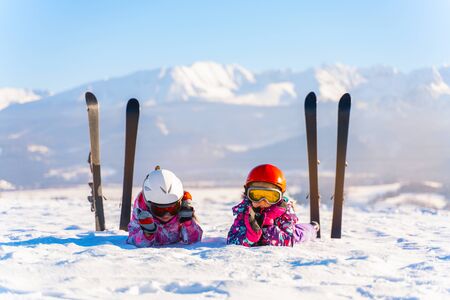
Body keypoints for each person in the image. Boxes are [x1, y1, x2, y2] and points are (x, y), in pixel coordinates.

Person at [227, 164, 319, 247]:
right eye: (256, 195)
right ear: (247, 193)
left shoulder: (283, 211)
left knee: (300, 233)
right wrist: (251, 236)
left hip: (292, 231)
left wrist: (267, 225)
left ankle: (312, 227)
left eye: (270, 196)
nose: (263, 201)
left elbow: (288, 241)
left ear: (280, 196)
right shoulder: (245, 212)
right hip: (269, 230)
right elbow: (231, 240)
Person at [127, 166, 203, 247]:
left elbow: (194, 239)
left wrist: (188, 222)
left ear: (179, 203)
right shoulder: (142, 212)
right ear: (149, 206)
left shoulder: (183, 209)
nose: (167, 214)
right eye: (159, 210)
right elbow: (132, 239)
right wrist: (147, 233)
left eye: (172, 208)